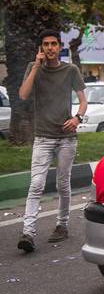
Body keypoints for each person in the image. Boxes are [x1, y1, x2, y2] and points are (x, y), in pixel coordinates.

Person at [17, 29, 87, 252]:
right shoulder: (33, 68)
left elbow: (83, 101)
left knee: (62, 184)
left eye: (53, 44)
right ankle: (28, 233)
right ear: (41, 47)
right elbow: (23, 95)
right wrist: (36, 66)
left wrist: (77, 118)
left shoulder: (70, 70)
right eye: (45, 44)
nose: (49, 48)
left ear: (59, 47)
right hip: (42, 137)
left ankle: (62, 225)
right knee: (36, 185)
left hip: (66, 138)